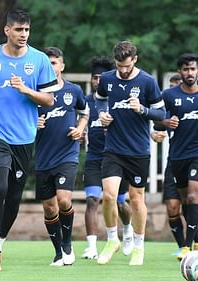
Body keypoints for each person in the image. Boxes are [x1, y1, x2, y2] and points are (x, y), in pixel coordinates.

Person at [0, 9, 59, 271]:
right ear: (7, 30)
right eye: (18, 30)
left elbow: (49, 100)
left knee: (15, 197)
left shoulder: (39, 60)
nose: (23, 35)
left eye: (27, 30)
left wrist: (26, 90)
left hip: (25, 137)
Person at [95, 40, 166, 266]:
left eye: (126, 66)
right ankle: (111, 239)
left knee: (136, 199)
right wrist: (102, 114)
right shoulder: (107, 78)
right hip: (113, 148)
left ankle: (138, 246)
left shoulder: (147, 82)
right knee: (108, 195)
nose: (123, 71)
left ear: (134, 59)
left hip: (138, 150)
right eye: (119, 66)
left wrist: (142, 109)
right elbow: (99, 100)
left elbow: (161, 112)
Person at [154, 53, 198, 260]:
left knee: (192, 197)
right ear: (180, 72)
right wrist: (166, 122)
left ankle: (187, 248)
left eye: (193, 69)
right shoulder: (169, 95)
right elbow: (157, 120)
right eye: (186, 69)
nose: (190, 73)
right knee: (176, 205)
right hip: (177, 156)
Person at [35, 47, 88, 266]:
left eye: (54, 63)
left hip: (67, 154)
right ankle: (58, 252)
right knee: (49, 207)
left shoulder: (73, 90)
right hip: (43, 158)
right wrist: (33, 125)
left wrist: (80, 128)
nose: (51, 66)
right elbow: (22, 120)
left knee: (64, 200)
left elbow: (85, 112)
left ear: (62, 66)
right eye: (47, 63)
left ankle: (67, 244)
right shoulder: (35, 93)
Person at [82, 56, 133, 260]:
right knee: (92, 200)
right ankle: (92, 246)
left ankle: (128, 228)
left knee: (119, 203)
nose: (99, 81)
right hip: (94, 158)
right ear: (92, 80)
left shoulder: (117, 100)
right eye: (95, 78)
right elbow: (77, 119)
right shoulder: (85, 102)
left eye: (102, 77)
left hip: (117, 158)